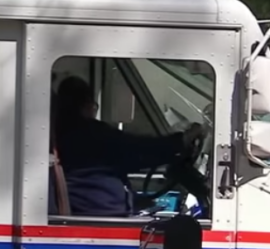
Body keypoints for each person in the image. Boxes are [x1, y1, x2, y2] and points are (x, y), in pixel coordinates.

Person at [52, 76, 204, 217]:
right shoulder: (89, 134)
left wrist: (135, 200)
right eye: (93, 105)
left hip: (95, 207)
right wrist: (181, 141)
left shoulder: (63, 132)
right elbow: (138, 149)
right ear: (86, 105)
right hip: (100, 214)